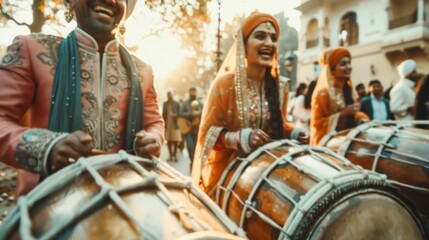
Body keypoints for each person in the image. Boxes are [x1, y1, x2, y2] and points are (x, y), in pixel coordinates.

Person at [0, 0, 164, 197]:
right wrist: (48, 147)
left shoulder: (142, 71)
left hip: (126, 195)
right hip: (45, 204)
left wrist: (153, 138)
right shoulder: (32, 49)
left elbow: (154, 123)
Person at [191, 12, 309, 195]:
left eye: (273, 38)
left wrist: (293, 131)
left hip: (268, 172)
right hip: (227, 177)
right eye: (260, 36)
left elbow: (278, 125)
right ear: (243, 45)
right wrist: (240, 138)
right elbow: (206, 135)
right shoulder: (224, 85)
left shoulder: (281, 86)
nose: (269, 43)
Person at [310, 47, 369, 145]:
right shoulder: (323, 93)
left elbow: (353, 116)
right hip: (329, 144)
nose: (348, 67)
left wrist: (362, 118)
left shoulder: (348, 89)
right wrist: (343, 113)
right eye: (343, 64)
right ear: (332, 70)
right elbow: (317, 124)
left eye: (349, 63)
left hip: (349, 140)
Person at [179, 87, 203, 165]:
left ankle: (196, 161)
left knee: (196, 147)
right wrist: (189, 114)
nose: (192, 93)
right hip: (188, 129)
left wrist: (199, 113)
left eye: (194, 92)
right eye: (191, 92)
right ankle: (192, 161)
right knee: (190, 145)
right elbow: (180, 113)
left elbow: (204, 114)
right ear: (189, 93)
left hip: (197, 129)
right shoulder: (185, 103)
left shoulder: (200, 103)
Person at [162, 89, 182, 161]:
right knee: (169, 140)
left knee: (176, 140)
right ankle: (170, 155)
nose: (169, 96)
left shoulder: (176, 103)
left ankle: (175, 155)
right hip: (167, 124)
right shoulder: (165, 104)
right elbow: (163, 114)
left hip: (175, 124)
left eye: (170, 94)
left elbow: (180, 114)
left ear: (172, 95)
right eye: (168, 94)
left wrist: (174, 115)